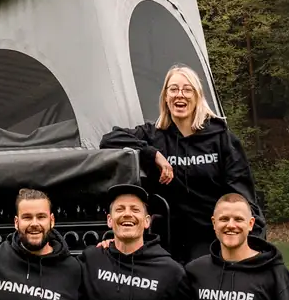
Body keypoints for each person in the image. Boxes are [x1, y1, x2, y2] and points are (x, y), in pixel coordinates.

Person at [98, 65, 266, 261]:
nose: (180, 95)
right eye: (174, 89)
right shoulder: (153, 135)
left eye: (187, 90)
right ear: (165, 97)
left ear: (197, 97)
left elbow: (242, 196)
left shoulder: (221, 138)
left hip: (211, 238)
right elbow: (109, 139)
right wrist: (153, 154)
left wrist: (254, 242)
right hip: (166, 240)